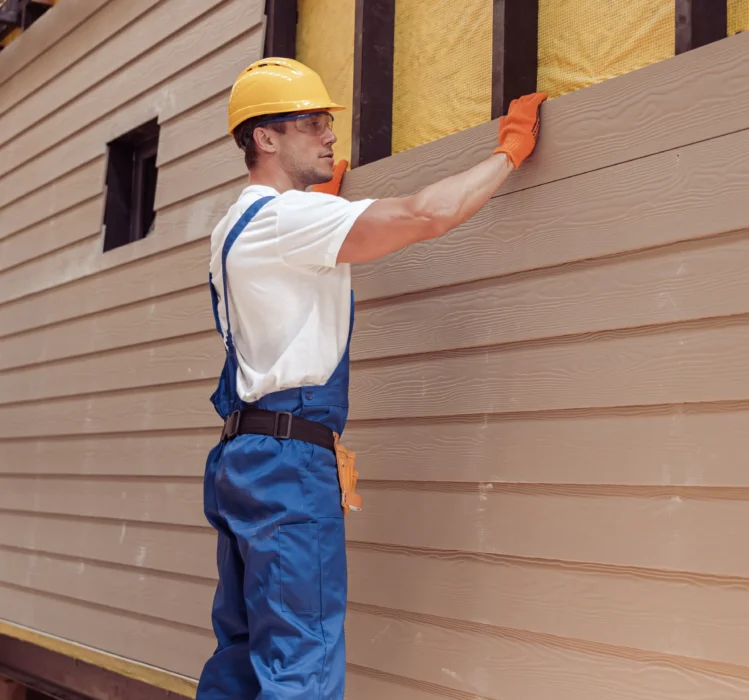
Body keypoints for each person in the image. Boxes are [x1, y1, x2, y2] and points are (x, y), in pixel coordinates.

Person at [196, 56, 546, 699]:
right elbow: (422, 216)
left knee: (244, 654)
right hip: (288, 465)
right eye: (310, 123)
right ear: (265, 138)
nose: (329, 134)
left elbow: (282, 285)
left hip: (241, 458)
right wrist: (509, 151)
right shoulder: (286, 220)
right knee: (302, 659)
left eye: (327, 121)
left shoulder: (232, 228)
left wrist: (322, 203)